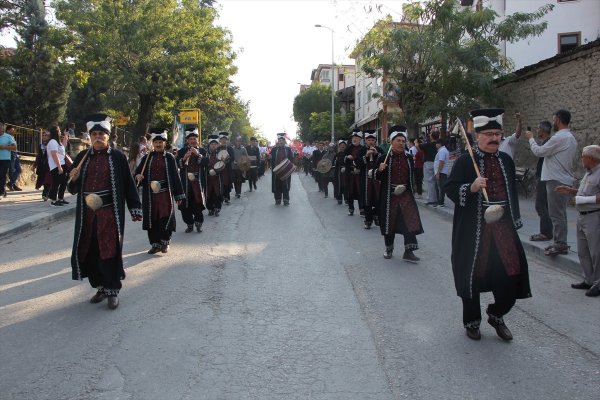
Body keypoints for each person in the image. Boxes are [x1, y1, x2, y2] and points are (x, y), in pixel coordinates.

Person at [445, 108, 531, 341]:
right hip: (473, 229)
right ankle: (472, 321)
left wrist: (515, 218)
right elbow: (450, 188)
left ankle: (497, 314)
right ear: (478, 136)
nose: (495, 138)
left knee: (512, 274)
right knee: (471, 275)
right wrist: (471, 187)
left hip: (502, 227)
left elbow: (512, 193)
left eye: (498, 133)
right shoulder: (465, 161)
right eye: (489, 134)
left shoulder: (506, 160)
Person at [67, 113, 142, 310]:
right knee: (90, 251)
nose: (98, 137)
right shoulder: (82, 157)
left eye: (102, 134)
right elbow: (72, 189)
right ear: (90, 137)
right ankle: (99, 287)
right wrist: (73, 178)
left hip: (109, 214)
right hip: (87, 215)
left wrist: (135, 208)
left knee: (108, 250)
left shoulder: (118, 157)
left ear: (108, 136)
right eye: (95, 134)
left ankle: (113, 290)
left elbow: (128, 183)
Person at [526, 109, 578, 256]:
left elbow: (539, 151)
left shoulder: (559, 138)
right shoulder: (571, 138)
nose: (553, 122)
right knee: (559, 213)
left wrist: (530, 138)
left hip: (556, 179)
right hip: (562, 178)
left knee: (556, 214)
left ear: (558, 120)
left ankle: (560, 244)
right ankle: (559, 242)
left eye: (554, 119)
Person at [555, 145, 600, 297]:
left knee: (596, 251)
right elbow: (584, 191)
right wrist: (570, 191)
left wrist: (583, 199)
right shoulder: (588, 174)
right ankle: (588, 279)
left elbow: (592, 196)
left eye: (583, 156)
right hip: (582, 216)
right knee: (583, 251)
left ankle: (598, 282)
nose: (581, 159)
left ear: (591, 159)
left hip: (594, 216)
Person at [374, 125, 423, 262]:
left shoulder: (408, 158)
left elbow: (411, 177)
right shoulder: (383, 158)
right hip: (390, 196)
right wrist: (379, 170)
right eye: (398, 141)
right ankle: (389, 249)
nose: (401, 143)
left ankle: (409, 251)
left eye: (403, 141)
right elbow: (374, 176)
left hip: (406, 195)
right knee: (390, 222)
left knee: (410, 221)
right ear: (391, 142)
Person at [135, 128, 185, 254]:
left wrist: (179, 196)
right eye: (155, 142)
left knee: (165, 217)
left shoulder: (169, 158)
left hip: (165, 194)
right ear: (152, 143)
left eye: (160, 142)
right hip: (150, 195)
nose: (158, 144)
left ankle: (165, 242)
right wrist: (138, 176)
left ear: (165, 143)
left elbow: (175, 177)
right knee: (152, 219)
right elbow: (138, 173)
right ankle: (155, 244)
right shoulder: (147, 158)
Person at [176, 126, 207, 233]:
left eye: (195, 139)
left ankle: (198, 224)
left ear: (198, 139)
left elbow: (206, 162)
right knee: (185, 206)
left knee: (197, 204)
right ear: (187, 140)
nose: (193, 141)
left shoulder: (202, 150)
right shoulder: (182, 151)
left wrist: (198, 154)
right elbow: (177, 164)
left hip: (197, 183)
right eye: (191, 139)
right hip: (185, 183)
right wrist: (184, 158)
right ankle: (189, 224)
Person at [528, 121, 554, 241]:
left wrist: (531, 139)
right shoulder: (547, 142)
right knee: (543, 206)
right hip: (543, 176)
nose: (537, 130)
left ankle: (546, 232)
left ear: (543, 130)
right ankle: (547, 231)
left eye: (538, 128)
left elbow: (539, 151)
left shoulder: (549, 142)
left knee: (541, 206)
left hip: (545, 177)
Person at [362, 129, 383, 229]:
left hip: (377, 179)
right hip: (365, 179)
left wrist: (377, 154)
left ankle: (376, 214)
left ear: (375, 141)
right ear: (365, 141)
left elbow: (384, 161)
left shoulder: (379, 150)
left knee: (379, 199)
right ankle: (368, 220)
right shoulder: (362, 150)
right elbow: (357, 163)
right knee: (367, 200)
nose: (371, 142)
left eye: (372, 140)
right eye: (369, 140)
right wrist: (366, 156)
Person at [46, 125, 69, 206]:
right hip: (56, 166)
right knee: (56, 183)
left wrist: (66, 136)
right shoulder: (52, 142)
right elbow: (54, 154)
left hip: (61, 164)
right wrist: (59, 167)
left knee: (63, 182)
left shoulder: (57, 142)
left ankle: (60, 198)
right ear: (56, 132)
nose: (60, 132)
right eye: (59, 130)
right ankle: (53, 200)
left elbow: (63, 147)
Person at [344, 130, 365, 216]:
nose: (354, 139)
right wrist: (346, 157)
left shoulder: (363, 149)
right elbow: (342, 159)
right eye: (353, 138)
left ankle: (362, 209)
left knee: (360, 191)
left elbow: (365, 161)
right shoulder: (348, 148)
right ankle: (351, 208)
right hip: (350, 174)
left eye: (356, 138)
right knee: (350, 191)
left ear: (360, 139)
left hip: (360, 174)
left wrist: (360, 168)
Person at [270, 132, 294, 205]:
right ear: (278, 141)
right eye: (279, 140)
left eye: (282, 140)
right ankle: (278, 199)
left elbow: (291, 159)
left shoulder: (288, 149)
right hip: (276, 171)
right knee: (277, 184)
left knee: (285, 184)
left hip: (286, 170)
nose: (281, 141)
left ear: (284, 141)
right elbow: (270, 158)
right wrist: (269, 157)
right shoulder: (274, 149)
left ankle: (286, 199)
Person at [204, 135, 224, 216]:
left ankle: (217, 208)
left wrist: (217, 170)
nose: (213, 145)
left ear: (217, 145)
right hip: (208, 177)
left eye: (215, 144)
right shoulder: (205, 154)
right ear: (209, 145)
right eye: (212, 144)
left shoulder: (221, 154)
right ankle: (210, 209)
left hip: (217, 177)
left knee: (217, 193)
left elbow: (224, 164)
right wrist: (208, 171)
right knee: (208, 194)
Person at [420, 129, 440, 206]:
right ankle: (437, 198)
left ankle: (431, 199)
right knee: (435, 182)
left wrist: (416, 142)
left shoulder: (428, 144)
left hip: (428, 162)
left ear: (431, 137)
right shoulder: (438, 145)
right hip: (436, 163)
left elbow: (419, 146)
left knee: (429, 181)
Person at [0, 122, 17, 198]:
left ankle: (1, 191)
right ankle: (3, 190)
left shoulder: (8, 137)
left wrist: (4, 147)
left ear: (2, 128)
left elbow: (14, 147)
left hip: (5, 159)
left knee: (2, 175)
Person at [34, 130, 52, 201]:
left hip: (49, 165)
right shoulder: (40, 145)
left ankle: (45, 194)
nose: (44, 137)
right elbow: (38, 156)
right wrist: (34, 165)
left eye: (46, 135)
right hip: (42, 166)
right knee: (43, 179)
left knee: (48, 179)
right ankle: (48, 194)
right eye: (43, 135)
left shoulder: (51, 144)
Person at [217, 132, 235, 204]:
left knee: (227, 183)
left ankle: (227, 197)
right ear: (220, 140)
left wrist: (228, 159)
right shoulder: (217, 148)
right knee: (220, 183)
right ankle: (221, 197)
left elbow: (233, 158)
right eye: (222, 139)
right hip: (219, 168)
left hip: (227, 169)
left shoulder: (230, 148)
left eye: (225, 139)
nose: (224, 141)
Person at [433, 138, 450, 207]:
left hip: (441, 172)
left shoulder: (442, 151)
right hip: (441, 171)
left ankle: (441, 202)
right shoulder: (442, 150)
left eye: (436, 143)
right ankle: (439, 201)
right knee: (438, 187)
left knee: (440, 187)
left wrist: (438, 173)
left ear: (439, 144)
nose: (436, 145)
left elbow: (441, 162)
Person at [6, 125, 22, 191]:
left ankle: (11, 183)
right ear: (8, 130)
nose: (13, 131)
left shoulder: (12, 137)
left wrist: (17, 154)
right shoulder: (6, 137)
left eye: (13, 130)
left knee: (19, 169)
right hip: (10, 154)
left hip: (15, 154)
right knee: (12, 170)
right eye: (12, 130)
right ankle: (13, 184)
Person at [333, 140, 348, 205]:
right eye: (341, 146)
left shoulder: (348, 154)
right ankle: (339, 198)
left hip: (346, 171)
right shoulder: (337, 155)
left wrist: (346, 168)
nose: (342, 147)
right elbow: (333, 163)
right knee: (339, 185)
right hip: (338, 172)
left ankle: (346, 199)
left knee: (346, 185)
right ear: (339, 147)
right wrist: (335, 162)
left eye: (343, 146)